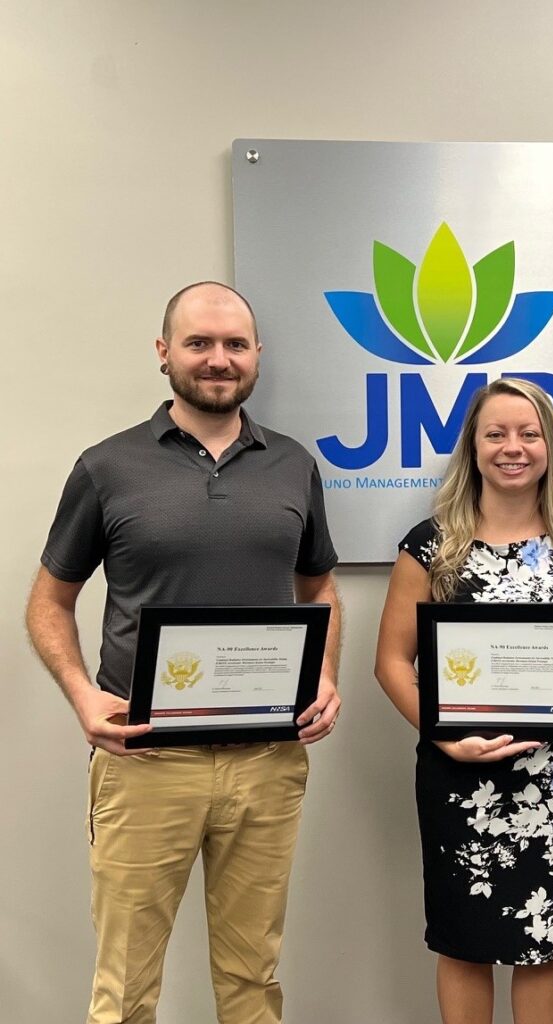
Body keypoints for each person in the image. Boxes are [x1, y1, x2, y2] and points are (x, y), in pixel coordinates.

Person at [25, 282, 342, 1024]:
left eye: (235, 344)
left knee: (252, 979)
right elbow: (48, 602)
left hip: (266, 760)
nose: (218, 359)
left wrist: (324, 674)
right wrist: (83, 696)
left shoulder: (293, 464)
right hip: (145, 758)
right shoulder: (107, 466)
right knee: (125, 987)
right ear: (164, 353)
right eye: (199, 343)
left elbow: (320, 587)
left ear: (257, 355)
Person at [375, 377, 553, 1024]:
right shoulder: (432, 547)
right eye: (496, 434)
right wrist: (442, 735)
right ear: (473, 447)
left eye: (528, 433)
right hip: (461, 773)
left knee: (547, 941)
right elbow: (392, 662)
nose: (513, 447)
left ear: (551, 446)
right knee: (465, 939)